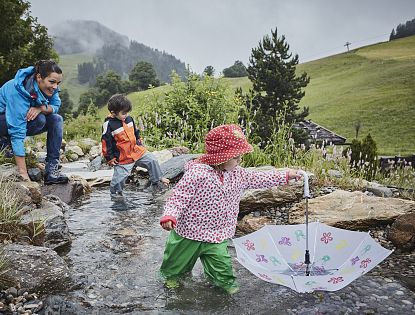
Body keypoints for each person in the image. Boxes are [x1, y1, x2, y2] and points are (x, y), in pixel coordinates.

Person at [159, 124, 302, 294]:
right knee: (174, 269)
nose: (240, 161)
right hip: (188, 234)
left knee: (223, 271)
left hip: (217, 235)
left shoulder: (238, 174)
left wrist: (285, 175)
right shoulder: (197, 174)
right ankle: (171, 288)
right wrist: (170, 215)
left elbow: (259, 178)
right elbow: (179, 196)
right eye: (236, 157)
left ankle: (226, 289)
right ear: (220, 158)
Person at [0, 60, 69, 184]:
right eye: (52, 82)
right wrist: (23, 174)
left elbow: (56, 105)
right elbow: (17, 131)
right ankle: (4, 143)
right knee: (40, 120)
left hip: (24, 118)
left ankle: (51, 170)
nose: (55, 87)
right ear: (39, 77)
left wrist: (41, 108)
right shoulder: (17, 90)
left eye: (58, 83)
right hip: (3, 120)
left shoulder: (50, 88)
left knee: (56, 119)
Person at [101, 94, 169, 198]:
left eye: (127, 112)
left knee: (152, 160)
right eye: (123, 113)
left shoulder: (129, 119)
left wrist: (139, 141)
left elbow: (135, 131)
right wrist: (109, 157)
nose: (126, 114)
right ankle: (116, 195)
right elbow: (106, 141)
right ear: (113, 113)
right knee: (119, 180)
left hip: (135, 151)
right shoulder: (109, 124)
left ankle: (157, 180)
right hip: (123, 157)